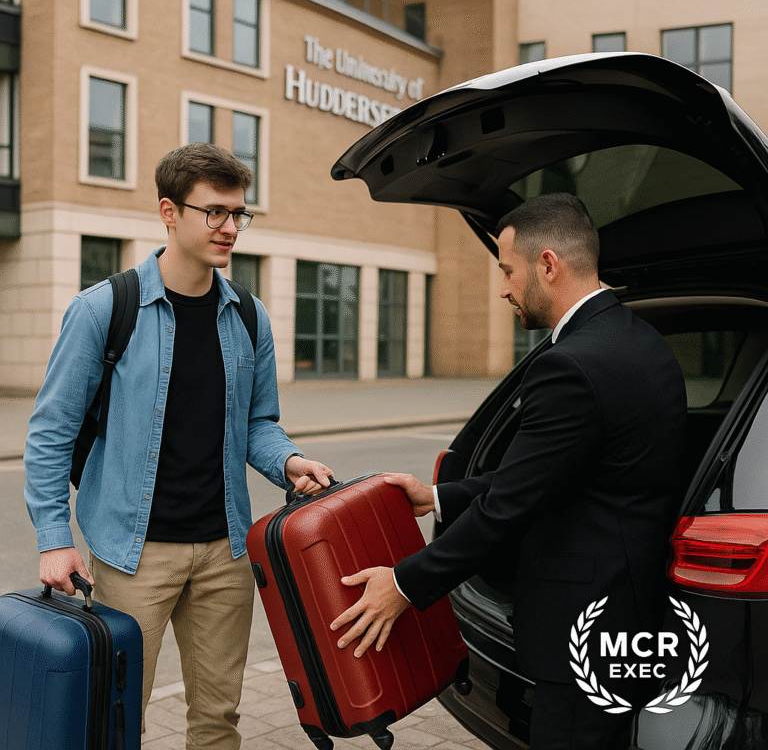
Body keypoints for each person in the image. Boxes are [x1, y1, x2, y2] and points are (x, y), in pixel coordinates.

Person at [330, 192, 688, 749]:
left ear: (548, 264)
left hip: (584, 629)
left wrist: (404, 584)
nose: (501, 288)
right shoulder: (641, 342)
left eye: (507, 270)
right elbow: (550, 474)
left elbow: (511, 505)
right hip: (631, 607)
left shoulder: (571, 363)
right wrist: (439, 497)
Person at [24, 143, 334, 750]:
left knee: (218, 720)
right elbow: (50, 432)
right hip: (131, 554)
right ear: (169, 211)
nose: (229, 228)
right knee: (119, 720)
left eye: (239, 214)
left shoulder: (249, 316)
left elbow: (258, 423)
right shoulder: (102, 310)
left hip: (224, 553)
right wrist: (55, 541)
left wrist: (289, 460)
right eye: (214, 212)